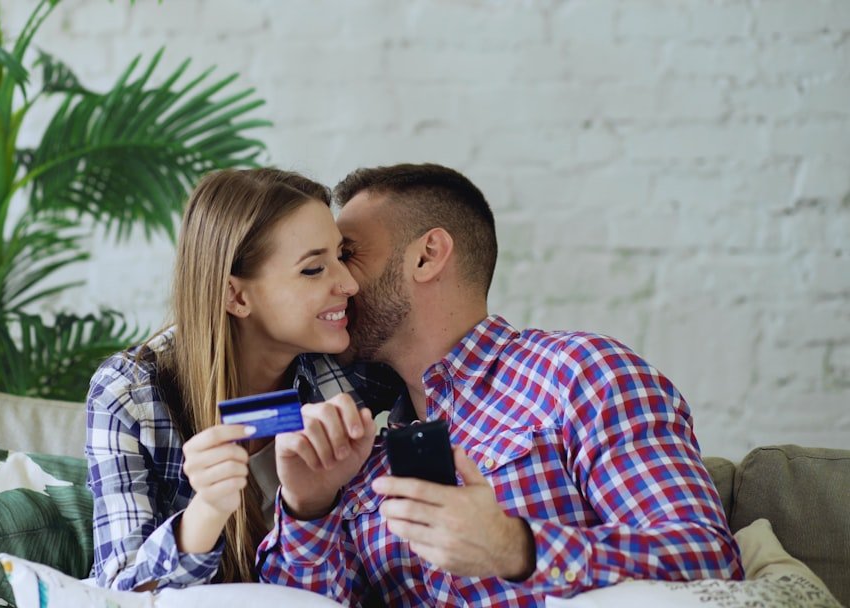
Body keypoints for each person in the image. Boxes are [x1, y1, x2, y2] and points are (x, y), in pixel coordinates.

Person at [258, 163, 744, 606]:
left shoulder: (578, 373)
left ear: (427, 257)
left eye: (349, 254)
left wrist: (515, 548)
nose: (337, 281)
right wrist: (309, 509)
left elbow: (706, 563)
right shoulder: (361, 450)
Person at [86, 168, 384, 591]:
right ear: (236, 296)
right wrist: (207, 510)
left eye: (343, 256)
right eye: (314, 269)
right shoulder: (129, 395)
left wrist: (311, 509)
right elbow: (121, 596)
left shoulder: (344, 379)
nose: (349, 284)